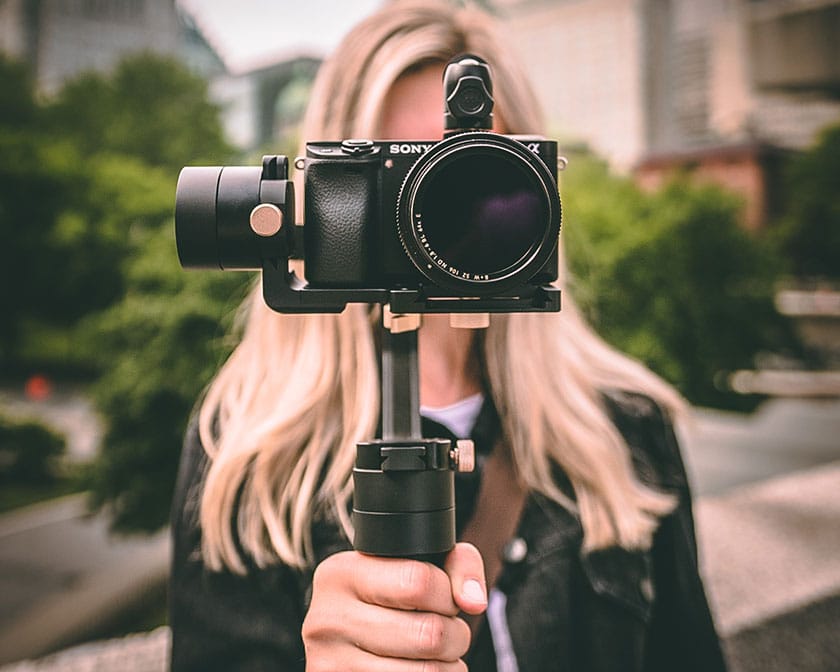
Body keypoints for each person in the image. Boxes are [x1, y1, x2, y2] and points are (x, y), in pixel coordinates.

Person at [169, 1, 729, 670]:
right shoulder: (243, 449)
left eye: (468, 173)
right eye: (401, 178)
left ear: (538, 185)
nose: (437, 220)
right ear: (321, 196)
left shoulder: (625, 426)